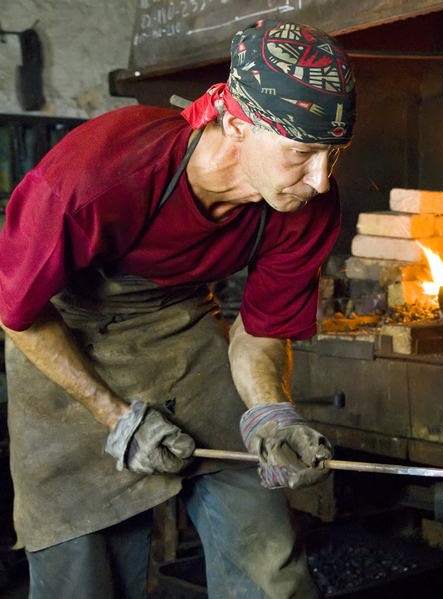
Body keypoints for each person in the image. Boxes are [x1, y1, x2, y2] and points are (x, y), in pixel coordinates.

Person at [0, 19, 356, 599]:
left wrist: (270, 412)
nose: (320, 179)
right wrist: (113, 414)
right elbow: (16, 311)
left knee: (267, 557)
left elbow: (261, 330)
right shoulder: (98, 174)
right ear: (238, 125)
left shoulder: (306, 204)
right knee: (82, 577)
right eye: (303, 152)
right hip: (63, 332)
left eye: (333, 156)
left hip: (182, 328)